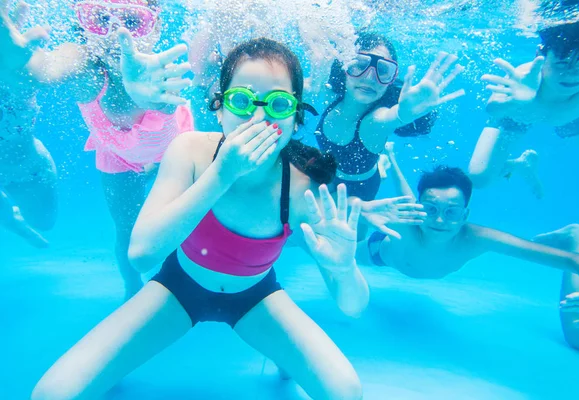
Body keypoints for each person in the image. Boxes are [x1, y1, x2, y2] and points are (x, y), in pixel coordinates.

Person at [31, 37, 369, 400]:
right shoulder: (190, 150)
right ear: (219, 109)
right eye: (241, 100)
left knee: (346, 393)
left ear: (296, 117)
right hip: (179, 288)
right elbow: (142, 254)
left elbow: (352, 307)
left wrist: (343, 268)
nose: (258, 117)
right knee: (51, 394)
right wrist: (222, 175)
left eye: (279, 104)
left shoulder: (303, 186)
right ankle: (281, 356)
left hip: (255, 296)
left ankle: (280, 352)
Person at [0, 0, 194, 298]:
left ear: (153, 29)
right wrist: (17, 66)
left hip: (173, 152)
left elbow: (165, 102)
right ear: (83, 26)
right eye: (100, 18)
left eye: (132, 22)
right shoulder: (82, 64)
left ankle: (183, 283)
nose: (116, 34)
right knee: (127, 232)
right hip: (117, 155)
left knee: (181, 225)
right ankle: (132, 287)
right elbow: (46, 70)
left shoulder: (159, 70)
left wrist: (155, 99)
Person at [357, 143, 579, 352]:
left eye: (451, 212)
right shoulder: (407, 221)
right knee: (346, 249)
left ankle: (394, 161)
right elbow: (393, 202)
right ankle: (392, 161)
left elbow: (575, 260)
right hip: (378, 252)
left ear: (465, 215)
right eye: (430, 209)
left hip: (407, 243)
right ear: (422, 210)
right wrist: (362, 208)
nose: (440, 220)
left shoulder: (477, 238)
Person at [309, 31, 465, 202]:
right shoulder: (330, 96)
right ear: (345, 67)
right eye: (360, 65)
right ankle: (382, 159)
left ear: (391, 79)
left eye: (382, 70)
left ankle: (381, 161)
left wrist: (403, 114)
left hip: (361, 188)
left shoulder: (373, 123)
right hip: (328, 173)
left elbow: (389, 118)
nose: (369, 78)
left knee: (355, 227)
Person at [468, 15, 579, 198]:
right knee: (479, 179)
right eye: (562, 63)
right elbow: (492, 109)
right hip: (521, 112)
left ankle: (521, 164)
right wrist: (517, 103)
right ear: (541, 55)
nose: (574, 75)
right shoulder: (524, 78)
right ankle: (521, 165)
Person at [0, 2, 56, 248]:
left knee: (44, 222)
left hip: (28, 169)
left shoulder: (18, 81)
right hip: (21, 167)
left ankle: (11, 218)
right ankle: (9, 219)